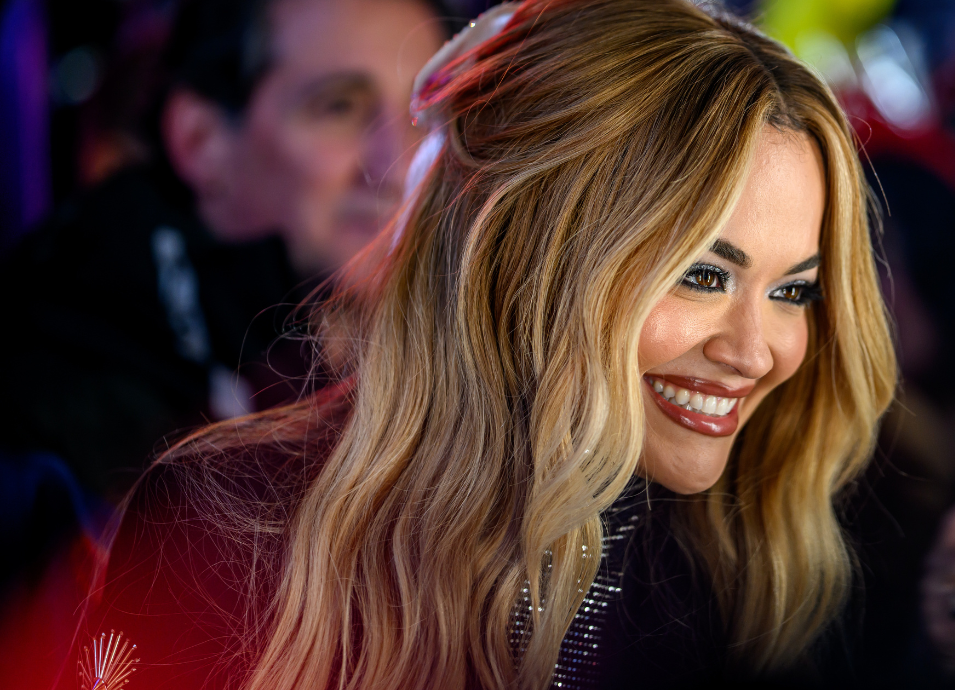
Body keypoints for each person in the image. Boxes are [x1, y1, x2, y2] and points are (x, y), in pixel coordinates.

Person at [76, 1, 898, 688]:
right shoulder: (226, 521)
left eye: (793, 291)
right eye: (703, 276)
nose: (757, 352)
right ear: (527, 256)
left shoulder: (737, 566)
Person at [0, 0, 447, 503]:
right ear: (202, 140)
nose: (402, 166)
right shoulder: (57, 404)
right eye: (339, 107)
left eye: (425, 115)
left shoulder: (399, 351)